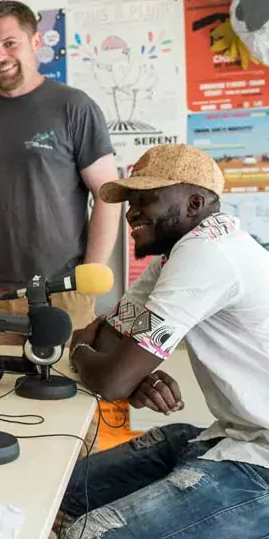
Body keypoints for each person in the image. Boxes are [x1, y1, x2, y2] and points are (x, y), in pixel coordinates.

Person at [59, 144, 269, 538]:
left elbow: (108, 376)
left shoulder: (209, 253)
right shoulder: (174, 257)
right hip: (229, 438)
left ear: (194, 202)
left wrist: (83, 349)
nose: (130, 212)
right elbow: (110, 341)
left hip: (261, 465)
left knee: (87, 533)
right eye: (129, 202)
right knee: (59, 490)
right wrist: (122, 368)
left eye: (145, 200)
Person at [0, 0, 121, 340]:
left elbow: (108, 195)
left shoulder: (74, 107)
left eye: (10, 43)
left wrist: (89, 278)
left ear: (35, 42)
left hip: (60, 293)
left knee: (65, 390)